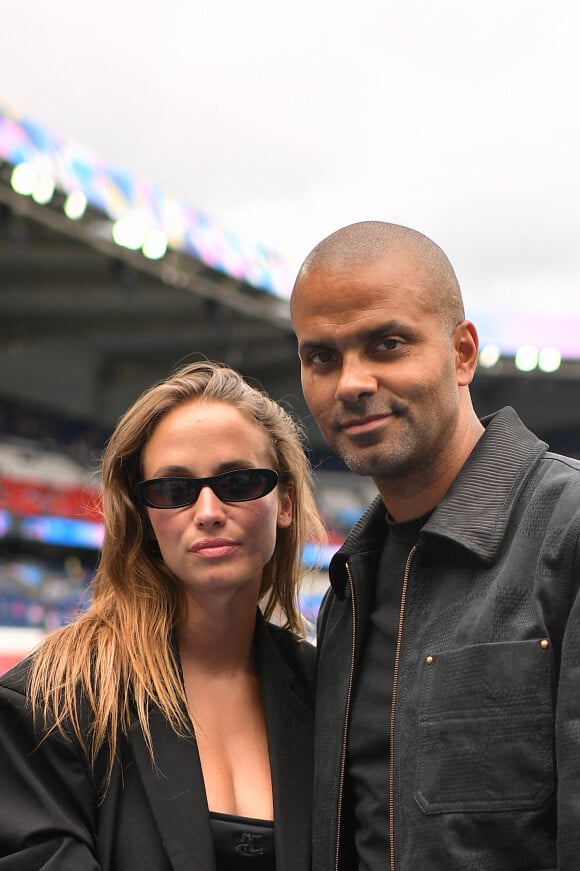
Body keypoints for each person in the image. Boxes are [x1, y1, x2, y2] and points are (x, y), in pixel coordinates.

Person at [290, 220, 580, 871]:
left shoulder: (567, 531)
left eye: (386, 344)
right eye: (322, 357)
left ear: (464, 352)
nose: (351, 382)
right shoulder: (349, 585)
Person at [0, 360, 326, 871]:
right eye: (174, 491)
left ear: (284, 503)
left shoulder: (325, 693)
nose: (209, 510)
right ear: (147, 518)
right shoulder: (53, 703)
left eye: (239, 481)